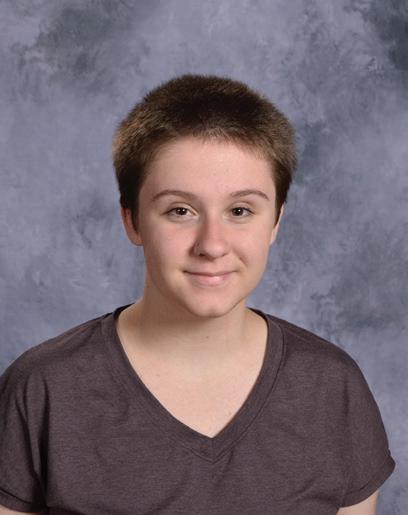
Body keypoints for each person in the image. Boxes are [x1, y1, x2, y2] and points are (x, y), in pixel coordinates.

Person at [0, 74, 395, 515]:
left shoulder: (332, 387)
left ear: (275, 222)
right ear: (132, 221)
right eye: (180, 210)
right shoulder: (43, 389)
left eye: (240, 210)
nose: (212, 245)